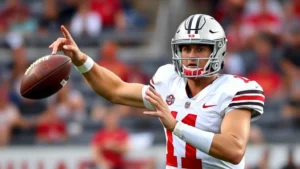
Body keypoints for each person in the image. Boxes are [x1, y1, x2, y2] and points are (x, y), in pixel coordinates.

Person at [49, 14, 265, 169]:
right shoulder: (168, 80)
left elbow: (235, 150)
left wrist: (176, 127)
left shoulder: (235, 89)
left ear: (217, 51)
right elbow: (115, 90)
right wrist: (81, 60)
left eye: (200, 48)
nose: (191, 56)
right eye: (186, 48)